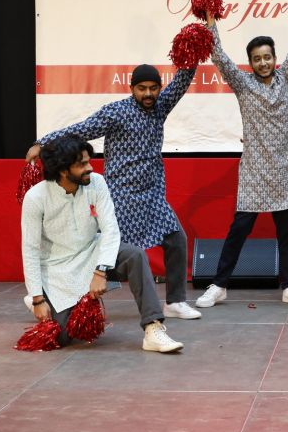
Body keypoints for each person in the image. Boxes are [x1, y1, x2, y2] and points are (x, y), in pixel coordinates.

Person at [26, 63, 201, 321]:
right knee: (111, 254)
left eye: (154, 88)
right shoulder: (116, 112)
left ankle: (175, 302)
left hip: (152, 195)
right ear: (131, 89)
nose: (148, 94)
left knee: (176, 239)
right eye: (142, 88)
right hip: (120, 195)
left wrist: (195, 50)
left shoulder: (161, 107)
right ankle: (64, 299)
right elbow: (82, 129)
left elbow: (182, 80)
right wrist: (42, 142)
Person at [195, 9, 288, 308]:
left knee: (286, 233)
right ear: (250, 63)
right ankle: (219, 285)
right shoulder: (242, 84)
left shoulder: (285, 78)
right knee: (239, 230)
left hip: (286, 169)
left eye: (267, 57)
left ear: (275, 59)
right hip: (254, 171)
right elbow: (219, 57)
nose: (263, 62)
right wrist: (210, 22)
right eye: (257, 59)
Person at [21, 135, 183, 353]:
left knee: (134, 255)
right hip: (59, 269)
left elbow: (110, 229)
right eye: (82, 164)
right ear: (63, 170)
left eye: (88, 162)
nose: (90, 168)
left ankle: (153, 327)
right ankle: (45, 299)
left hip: (93, 251)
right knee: (63, 337)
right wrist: (37, 299)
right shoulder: (35, 197)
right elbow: (30, 251)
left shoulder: (97, 182)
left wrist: (100, 271)